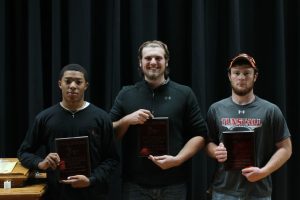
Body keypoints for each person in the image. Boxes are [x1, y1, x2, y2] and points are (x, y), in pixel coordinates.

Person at [109, 40, 207, 200]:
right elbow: (108, 133)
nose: (153, 62)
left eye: (158, 58)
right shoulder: (126, 94)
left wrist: (177, 160)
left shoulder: (184, 93)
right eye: (148, 58)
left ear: (166, 62)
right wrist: (126, 120)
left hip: (174, 185)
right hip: (135, 186)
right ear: (140, 63)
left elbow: (200, 135)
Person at [17, 64, 119, 200]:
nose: (72, 85)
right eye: (68, 81)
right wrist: (40, 163)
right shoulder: (44, 118)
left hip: (93, 193)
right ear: (60, 84)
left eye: (78, 82)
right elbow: (24, 153)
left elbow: (111, 159)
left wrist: (91, 179)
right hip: (56, 193)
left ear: (86, 86)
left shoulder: (101, 118)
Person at [205, 53, 292, 200]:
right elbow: (207, 143)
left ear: (255, 76)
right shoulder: (216, 109)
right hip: (223, 191)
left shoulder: (270, 110)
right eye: (237, 73)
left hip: (258, 192)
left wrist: (264, 171)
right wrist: (215, 151)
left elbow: (286, 148)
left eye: (247, 73)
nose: (241, 77)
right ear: (229, 76)